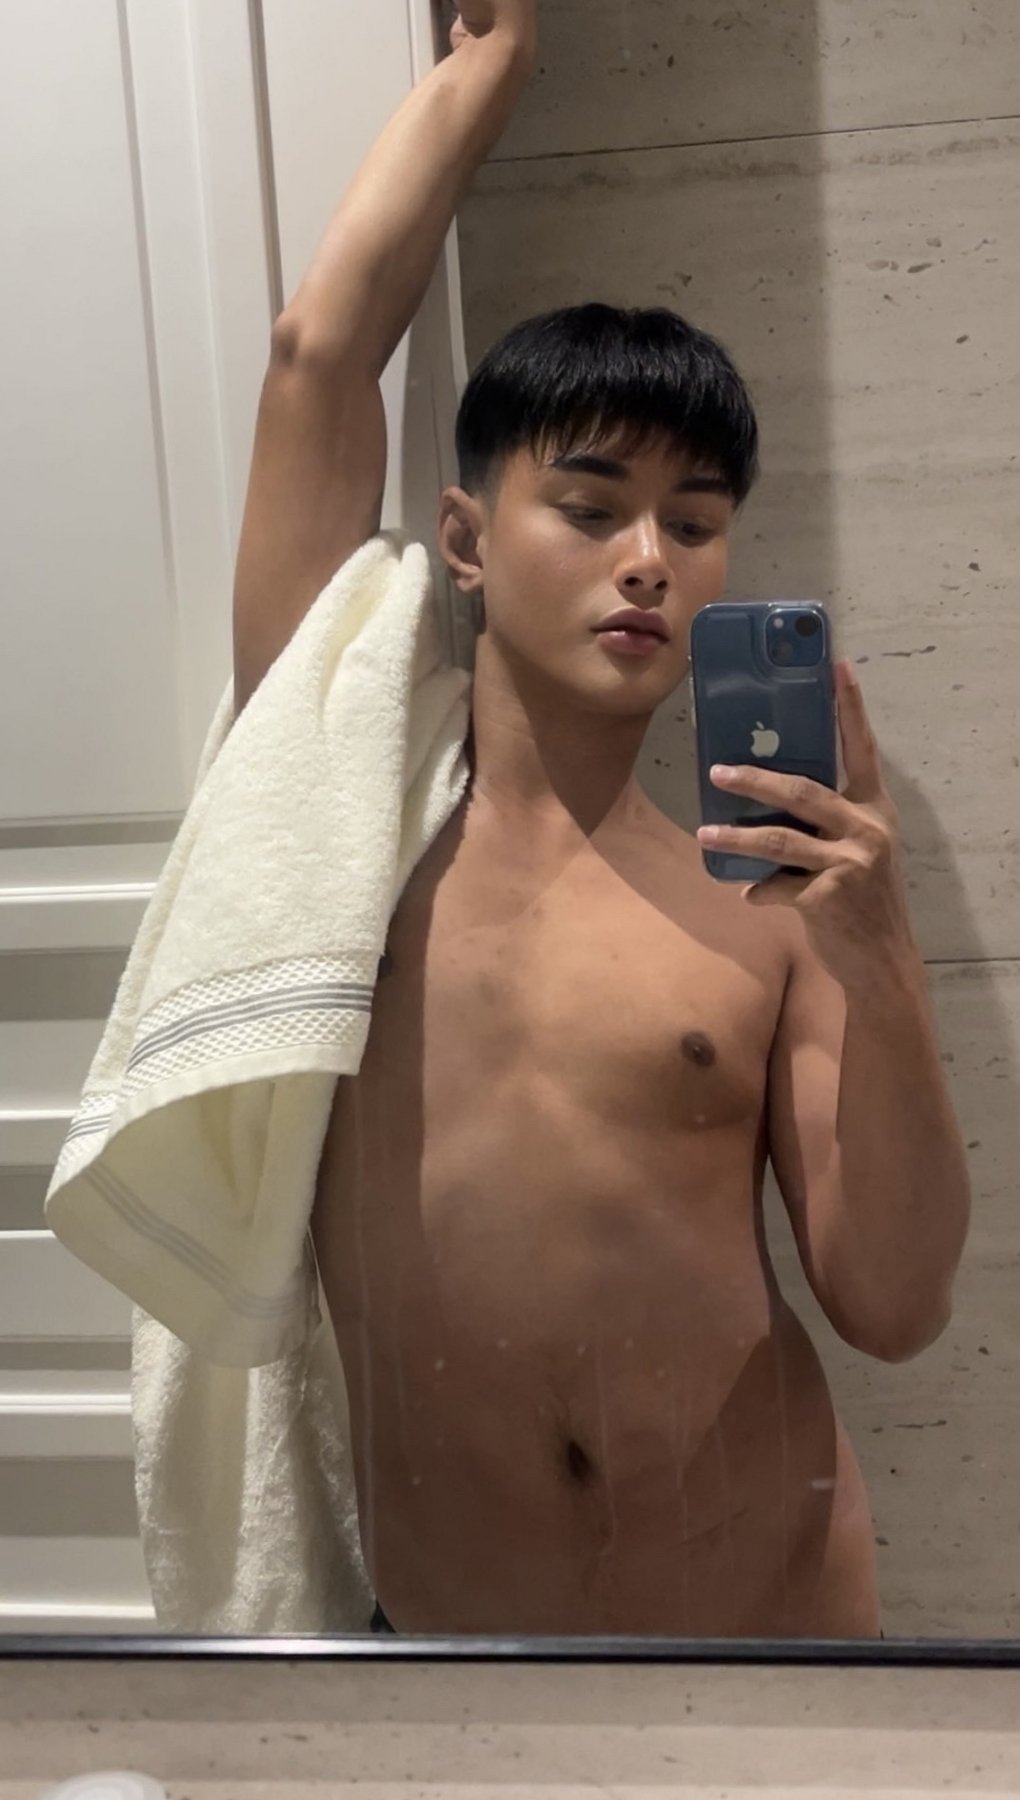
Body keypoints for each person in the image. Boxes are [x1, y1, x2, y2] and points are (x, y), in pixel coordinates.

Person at [231, 0, 971, 1636]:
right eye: (589, 505)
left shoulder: (767, 903)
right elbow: (315, 359)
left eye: (693, 526)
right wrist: (487, 75)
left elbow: (897, 1301)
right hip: (464, 1656)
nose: (648, 559)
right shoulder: (344, 818)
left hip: (778, 1628)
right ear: (465, 538)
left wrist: (883, 951)